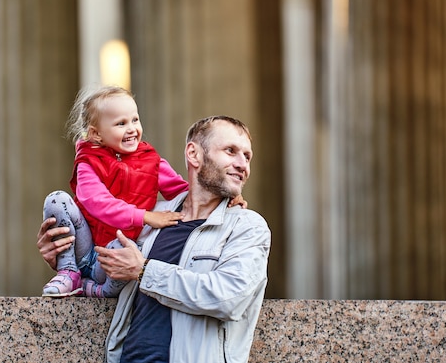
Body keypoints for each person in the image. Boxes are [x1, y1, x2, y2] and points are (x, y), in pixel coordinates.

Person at [38, 115, 271, 363]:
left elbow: (227, 298)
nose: (242, 164)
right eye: (230, 151)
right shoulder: (149, 216)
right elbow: (108, 276)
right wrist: (65, 256)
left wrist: (144, 271)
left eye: (247, 156)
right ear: (194, 154)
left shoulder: (248, 227)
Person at [40, 85, 189, 298]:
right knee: (56, 199)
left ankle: (99, 290)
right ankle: (69, 272)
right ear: (96, 134)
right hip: (84, 246)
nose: (131, 128)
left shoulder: (152, 162)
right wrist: (145, 217)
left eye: (135, 120)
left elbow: (183, 192)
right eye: (121, 123)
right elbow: (98, 202)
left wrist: (223, 200)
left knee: (128, 249)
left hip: (112, 258)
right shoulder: (87, 163)